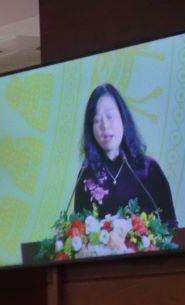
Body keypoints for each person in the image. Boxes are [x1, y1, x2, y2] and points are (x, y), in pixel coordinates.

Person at [66, 83, 177, 228]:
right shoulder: (87, 175)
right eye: (96, 120)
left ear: (123, 118)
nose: (105, 126)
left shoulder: (148, 169)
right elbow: (79, 231)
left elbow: (170, 225)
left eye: (110, 116)